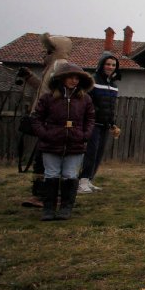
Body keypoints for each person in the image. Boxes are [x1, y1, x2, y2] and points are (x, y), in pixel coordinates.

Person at [29, 62, 95, 221]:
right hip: (52, 142)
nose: (74, 81)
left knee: (70, 175)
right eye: (71, 77)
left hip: (75, 143)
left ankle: (66, 208)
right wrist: (45, 134)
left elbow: (90, 119)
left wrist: (84, 135)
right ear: (62, 78)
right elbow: (36, 119)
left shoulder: (85, 99)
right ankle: (48, 209)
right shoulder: (48, 98)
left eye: (77, 78)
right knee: (51, 175)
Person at [18, 33, 73, 206]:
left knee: (46, 159)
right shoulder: (52, 67)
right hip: (45, 119)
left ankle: (46, 195)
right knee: (42, 158)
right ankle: (43, 194)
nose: (45, 55)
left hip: (52, 121)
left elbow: (60, 95)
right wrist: (29, 78)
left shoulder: (61, 66)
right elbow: (45, 89)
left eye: (48, 51)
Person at [78, 52, 121, 194]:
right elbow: (86, 102)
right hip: (93, 123)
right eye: (108, 64)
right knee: (90, 152)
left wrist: (112, 123)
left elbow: (110, 107)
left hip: (105, 125)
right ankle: (82, 181)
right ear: (102, 65)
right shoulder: (93, 81)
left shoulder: (114, 85)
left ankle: (89, 180)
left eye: (113, 65)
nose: (110, 67)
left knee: (99, 153)